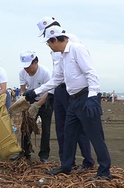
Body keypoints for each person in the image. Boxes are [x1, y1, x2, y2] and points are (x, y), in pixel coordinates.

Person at [24, 26, 111, 180]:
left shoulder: (77, 50)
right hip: (74, 100)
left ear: (55, 39)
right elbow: (57, 79)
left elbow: (91, 73)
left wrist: (92, 97)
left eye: (49, 43)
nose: (49, 47)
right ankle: (66, 166)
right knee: (69, 133)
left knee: (95, 135)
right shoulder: (62, 57)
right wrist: (36, 92)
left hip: (86, 97)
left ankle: (104, 171)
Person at [37, 16, 94, 170]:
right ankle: (66, 162)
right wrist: (51, 93)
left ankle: (88, 161)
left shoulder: (70, 40)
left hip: (71, 90)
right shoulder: (52, 45)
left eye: (46, 33)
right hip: (59, 90)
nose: (45, 37)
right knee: (61, 129)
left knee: (78, 129)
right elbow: (57, 73)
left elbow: (81, 65)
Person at [9, 50, 53, 163]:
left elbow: (49, 92)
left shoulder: (45, 73)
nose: (26, 69)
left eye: (28, 66)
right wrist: (25, 104)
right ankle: (24, 152)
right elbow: (23, 89)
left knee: (46, 129)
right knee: (26, 127)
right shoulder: (22, 73)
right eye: (24, 67)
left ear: (36, 62)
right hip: (31, 100)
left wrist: (37, 105)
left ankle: (44, 155)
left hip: (46, 101)